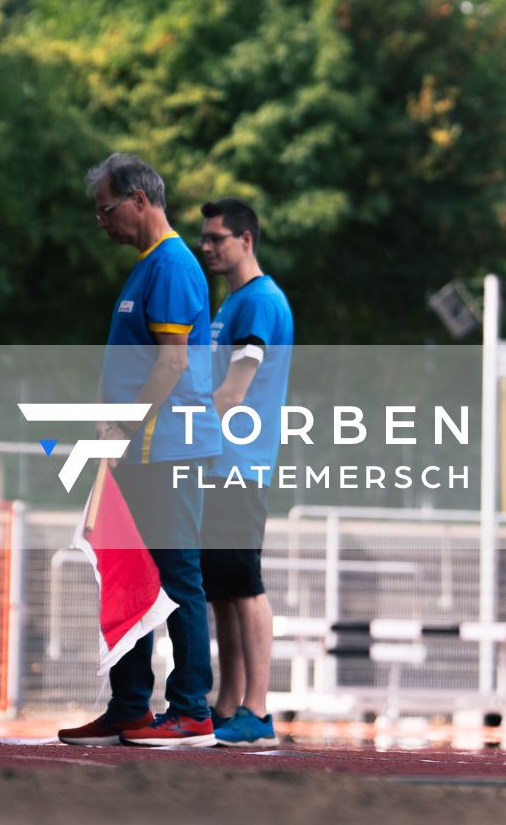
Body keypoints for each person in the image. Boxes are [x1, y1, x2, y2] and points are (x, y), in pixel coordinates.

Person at [59, 153, 221, 749]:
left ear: (139, 200)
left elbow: (173, 361)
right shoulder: (145, 268)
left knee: (177, 577)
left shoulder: (174, 265)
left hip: (168, 449)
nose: (101, 223)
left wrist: (124, 427)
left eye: (106, 210)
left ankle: (192, 710)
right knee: (129, 577)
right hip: (132, 451)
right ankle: (129, 707)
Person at [195, 197, 293, 749]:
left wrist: (174, 428)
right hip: (220, 462)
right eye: (204, 239)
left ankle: (256, 710)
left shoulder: (257, 304)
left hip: (239, 463)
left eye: (217, 238)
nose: (207, 247)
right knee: (224, 589)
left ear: (246, 240)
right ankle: (228, 704)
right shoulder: (233, 304)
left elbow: (234, 393)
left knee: (245, 584)